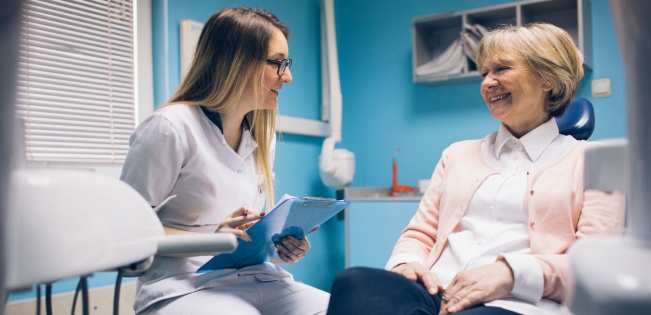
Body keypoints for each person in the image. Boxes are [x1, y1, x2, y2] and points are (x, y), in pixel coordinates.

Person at [326, 23, 625, 315]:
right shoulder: (456, 154)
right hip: (433, 291)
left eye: (502, 69)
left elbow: (594, 265)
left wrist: (510, 274)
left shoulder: (595, 162)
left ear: (547, 79)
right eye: (484, 73)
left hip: (515, 302)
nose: (487, 82)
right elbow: (420, 234)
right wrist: (407, 264)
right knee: (354, 283)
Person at [120, 7, 329, 315]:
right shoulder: (171, 128)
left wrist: (279, 245)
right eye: (278, 63)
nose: (288, 76)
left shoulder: (261, 136)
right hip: (181, 285)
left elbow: (244, 232)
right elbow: (126, 229)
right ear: (236, 61)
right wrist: (213, 240)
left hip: (257, 277)